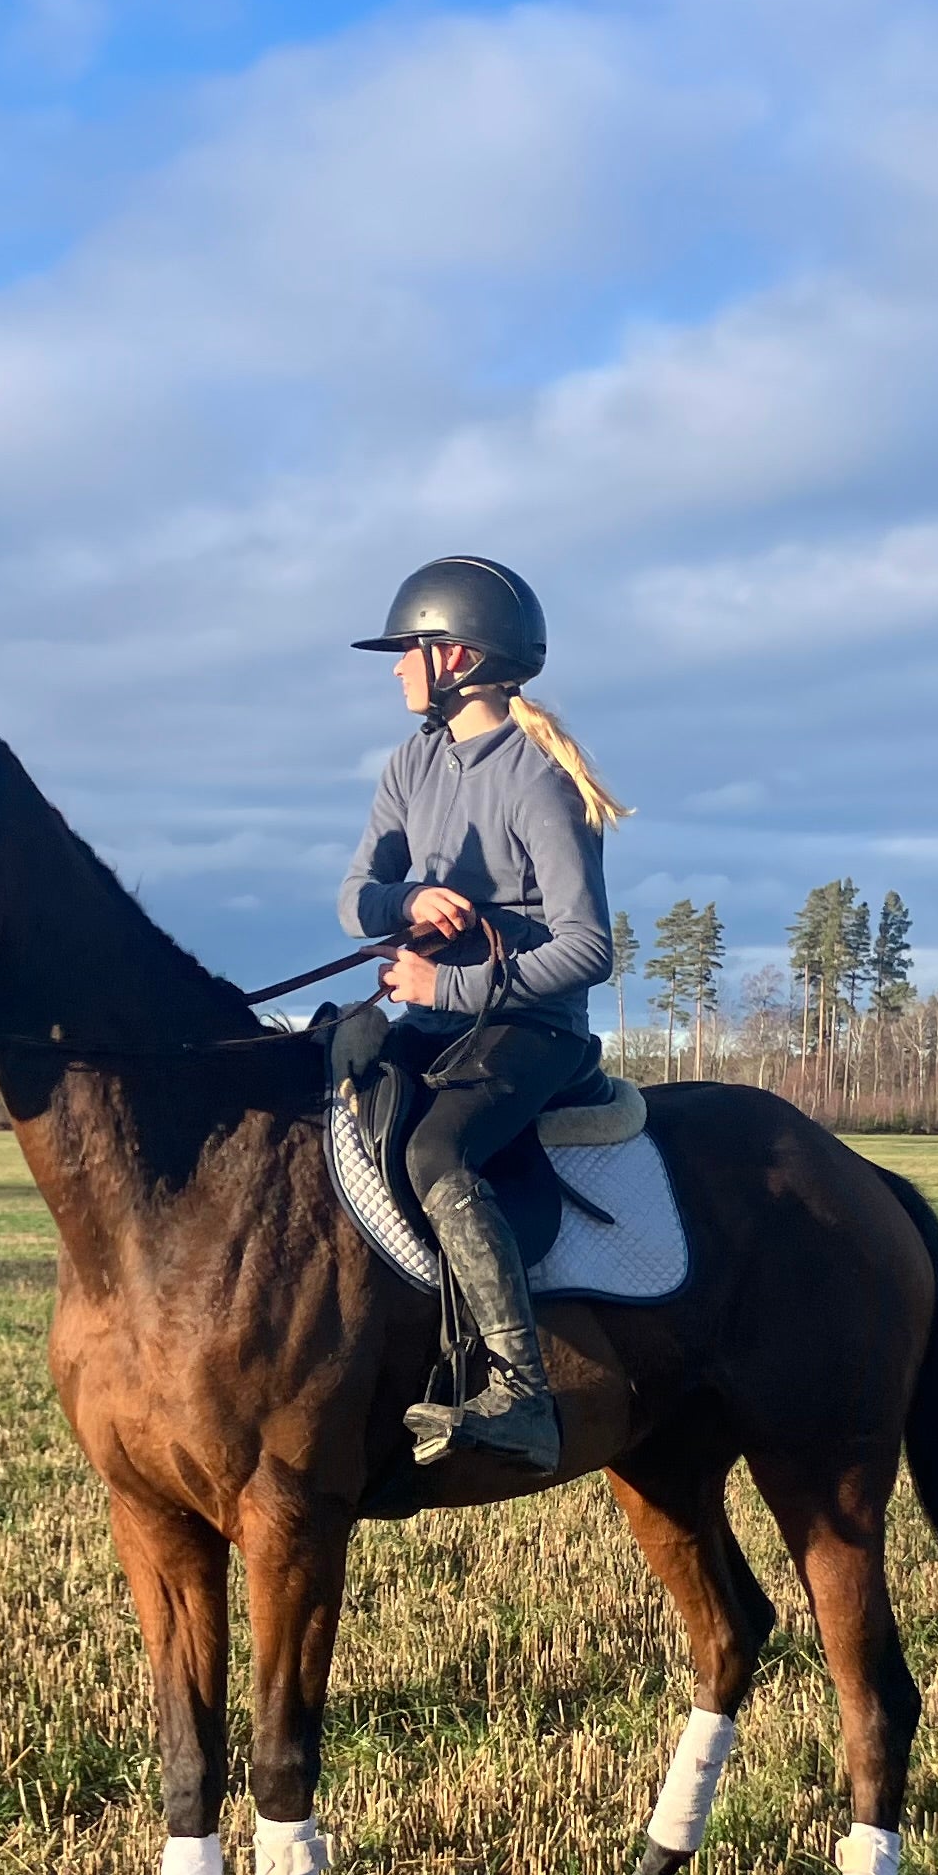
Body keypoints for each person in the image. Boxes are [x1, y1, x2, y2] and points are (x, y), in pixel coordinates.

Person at [339, 556, 631, 1469]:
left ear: (455, 655)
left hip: (531, 1028)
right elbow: (357, 897)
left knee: (437, 1150)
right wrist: (410, 903)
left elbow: (588, 950)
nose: (395, 668)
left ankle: (521, 1392)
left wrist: (449, 989)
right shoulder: (412, 761)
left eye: (407, 651)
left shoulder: (538, 777)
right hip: (434, 1015)